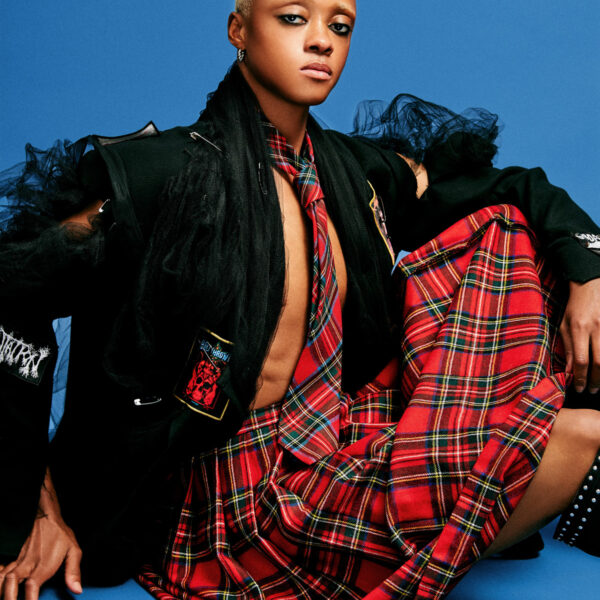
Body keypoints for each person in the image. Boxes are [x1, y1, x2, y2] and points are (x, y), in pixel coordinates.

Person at [1, 0, 599, 598]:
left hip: (339, 433)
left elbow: (512, 189)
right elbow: (11, 292)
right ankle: (454, 519)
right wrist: (35, 508)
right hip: (232, 501)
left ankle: (451, 508)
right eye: (294, 18)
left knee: (505, 231)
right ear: (239, 28)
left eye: (340, 26)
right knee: (579, 439)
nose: (321, 41)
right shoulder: (160, 175)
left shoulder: (352, 171)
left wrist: (591, 274)